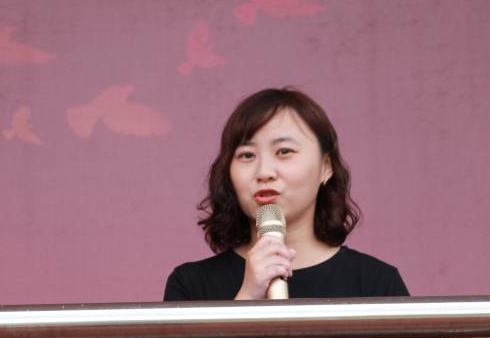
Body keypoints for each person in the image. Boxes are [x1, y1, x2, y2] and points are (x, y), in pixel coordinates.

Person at [163, 87, 408, 301]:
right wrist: (247, 297)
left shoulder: (377, 284)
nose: (264, 172)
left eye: (283, 151)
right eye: (247, 155)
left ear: (326, 167)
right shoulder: (190, 285)